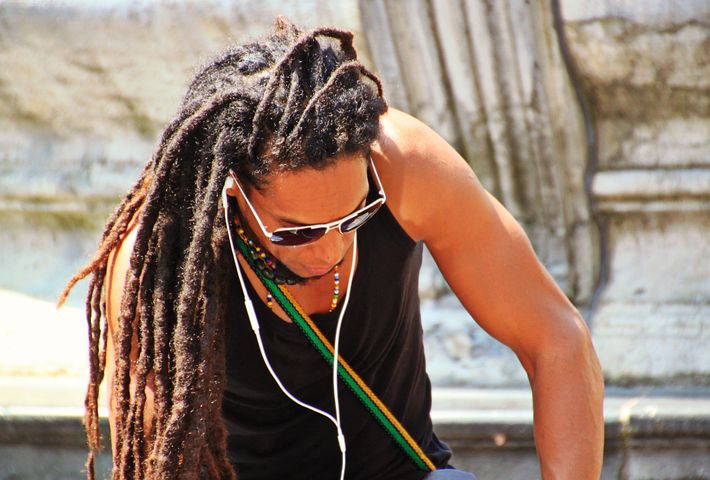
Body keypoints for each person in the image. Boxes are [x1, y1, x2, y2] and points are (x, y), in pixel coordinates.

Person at [60, 17, 604, 480]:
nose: (330, 250)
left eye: (355, 217)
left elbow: (556, 338)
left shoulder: (404, 167)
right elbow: (157, 460)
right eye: (296, 232)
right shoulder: (162, 262)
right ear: (235, 190)